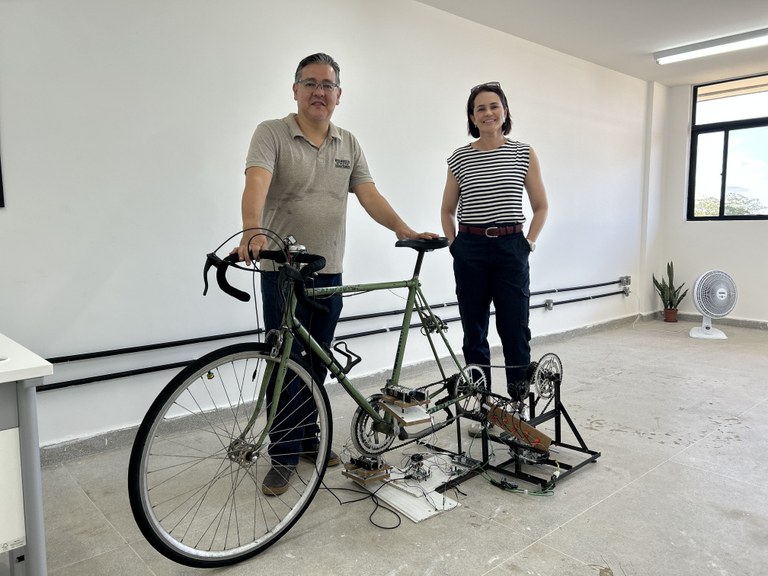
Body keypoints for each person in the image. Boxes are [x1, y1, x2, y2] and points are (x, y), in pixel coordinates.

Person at [235, 53, 435, 495]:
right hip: (282, 272)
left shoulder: (348, 143)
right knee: (286, 365)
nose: (318, 92)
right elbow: (256, 183)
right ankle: (283, 456)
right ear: (295, 90)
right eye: (310, 83)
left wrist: (403, 229)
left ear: (338, 95)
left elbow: (368, 194)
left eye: (327, 85)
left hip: (331, 272)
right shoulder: (271, 133)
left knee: (317, 365)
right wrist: (252, 230)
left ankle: (308, 439)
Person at [440, 82, 548, 431]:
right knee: (474, 329)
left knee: (514, 327)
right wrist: (454, 243)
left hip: (510, 247)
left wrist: (527, 243)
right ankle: (482, 403)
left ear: (504, 111)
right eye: (480, 108)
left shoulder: (523, 153)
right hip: (470, 248)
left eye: (494, 106)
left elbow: (541, 206)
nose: (488, 113)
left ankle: (517, 405)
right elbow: (447, 210)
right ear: (472, 117)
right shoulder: (459, 157)